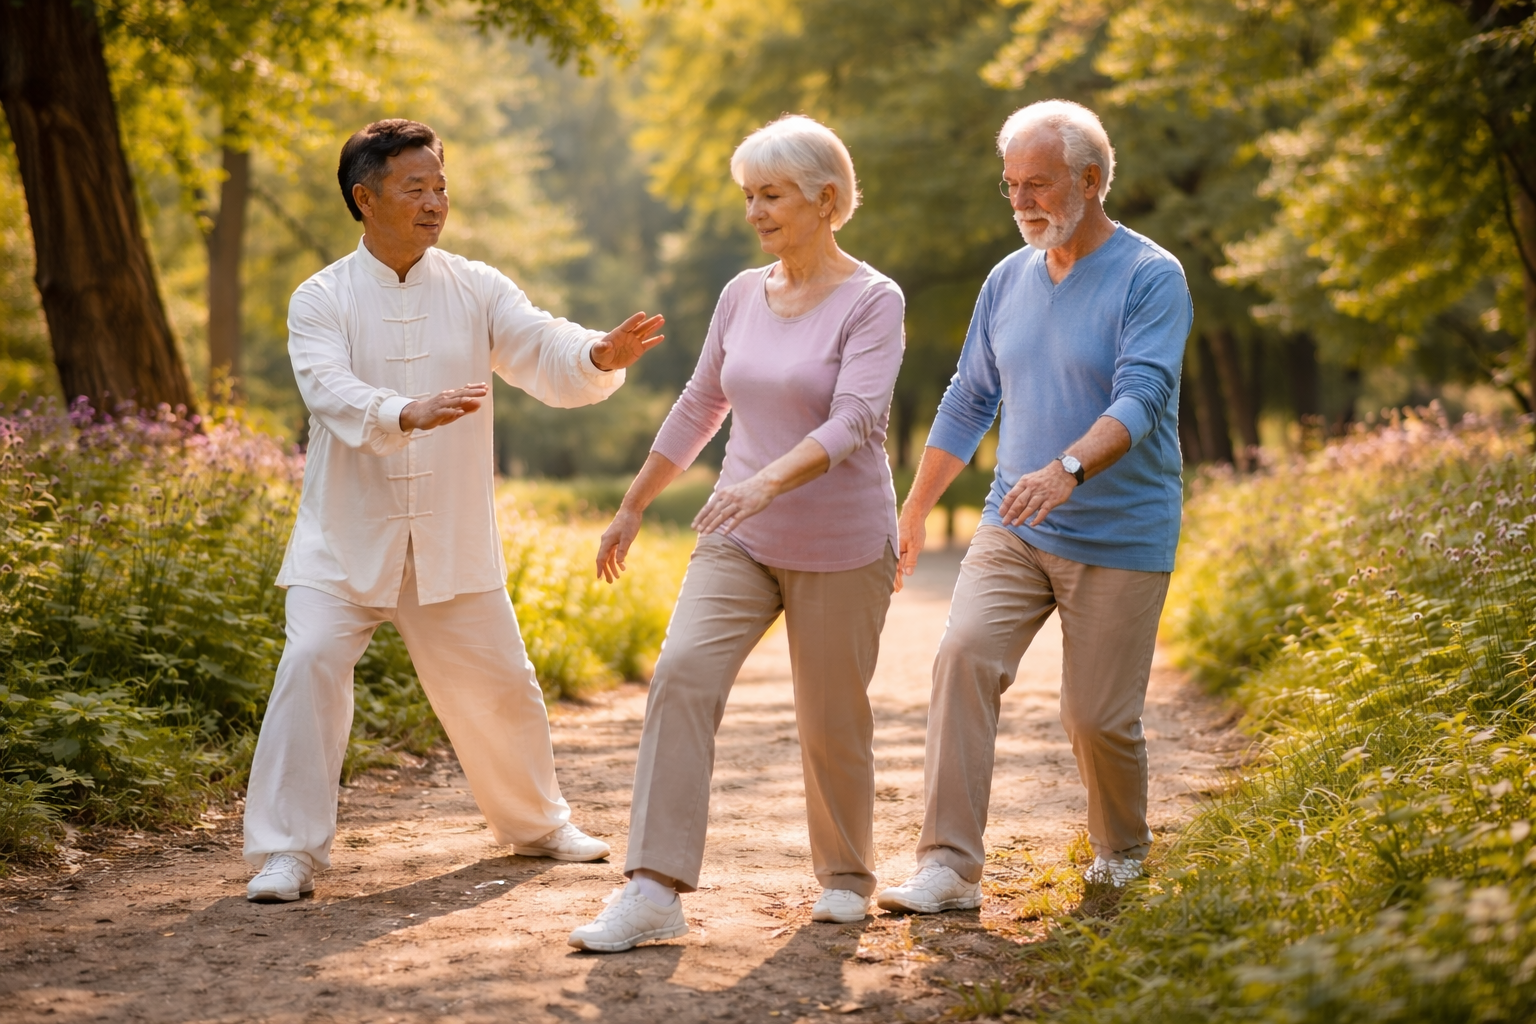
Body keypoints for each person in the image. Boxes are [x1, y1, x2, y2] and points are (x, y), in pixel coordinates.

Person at [243, 119, 665, 902]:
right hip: (343, 538)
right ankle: (288, 853)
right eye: (417, 187)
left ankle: (538, 826)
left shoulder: (476, 285)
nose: (435, 202)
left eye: (442, 187)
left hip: (450, 533)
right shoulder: (321, 297)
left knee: (502, 682)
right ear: (364, 198)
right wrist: (405, 411)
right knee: (309, 666)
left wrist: (597, 355)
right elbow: (326, 388)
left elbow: (541, 345)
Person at [566, 115, 906, 952]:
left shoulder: (874, 301)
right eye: (748, 195)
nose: (755, 211)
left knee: (830, 720)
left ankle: (846, 878)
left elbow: (858, 419)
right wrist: (636, 502)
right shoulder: (740, 295)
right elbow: (699, 403)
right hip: (740, 536)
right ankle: (654, 889)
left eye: (773, 194)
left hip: (842, 540)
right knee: (682, 674)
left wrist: (768, 479)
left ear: (827, 200)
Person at [877, 100, 1193, 915]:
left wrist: (1068, 469)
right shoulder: (1007, 279)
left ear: (1090, 182)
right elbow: (969, 396)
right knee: (962, 658)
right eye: (1012, 185)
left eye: (1040, 185)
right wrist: (914, 510)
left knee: (1094, 719)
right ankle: (948, 864)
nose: (1023, 202)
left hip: (1119, 532)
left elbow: (1144, 395)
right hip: (1016, 523)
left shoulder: (1151, 276)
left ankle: (1122, 848)